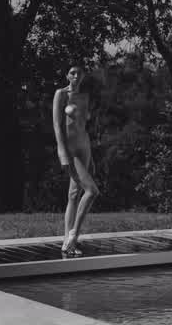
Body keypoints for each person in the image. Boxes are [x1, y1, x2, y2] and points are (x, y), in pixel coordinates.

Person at [52, 64, 99, 255]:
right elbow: (57, 125)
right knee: (92, 191)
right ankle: (73, 235)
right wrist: (62, 151)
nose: (76, 75)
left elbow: (83, 127)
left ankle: (67, 243)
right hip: (70, 149)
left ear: (83, 76)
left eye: (79, 72)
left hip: (84, 146)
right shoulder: (61, 94)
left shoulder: (85, 96)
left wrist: (91, 157)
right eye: (72, 72)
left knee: (73, 194)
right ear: (67, 75)